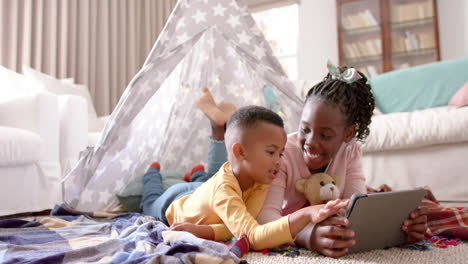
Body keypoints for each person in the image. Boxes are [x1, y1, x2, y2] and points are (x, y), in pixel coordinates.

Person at [192, 61, 428, 257]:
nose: (311, 141)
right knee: (202, 183)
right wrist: (307, 236)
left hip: (240, 187)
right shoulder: (284, 154)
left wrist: (398, 228)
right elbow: (265, 218)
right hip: (230, 194)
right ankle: (217, 130)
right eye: (305, 129)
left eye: (325, 135)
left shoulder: (351, 151)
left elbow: (354, 206)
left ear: (348, 134)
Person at [140, 105, 349, 250]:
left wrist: (202, 230)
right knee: (149, 202)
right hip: (172, 205)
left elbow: (236, 229)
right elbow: (253, 237)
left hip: (204, 195)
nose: (279, 161)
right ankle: (151, 173)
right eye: (271, 152)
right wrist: (305, 214)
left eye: (281, 153)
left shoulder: (262, 181)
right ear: (240, 152)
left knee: (204, 181)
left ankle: (196, 173)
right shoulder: (224, 192)